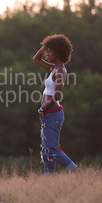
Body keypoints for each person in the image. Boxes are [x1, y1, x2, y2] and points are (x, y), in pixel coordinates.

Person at [32, 34, 83, 176]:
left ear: (59, 52)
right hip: (48, 114)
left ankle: (78, 173)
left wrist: (43, 108)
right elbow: (36, 59)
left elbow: (57, 95)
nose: (47, 54)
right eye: (47, 51)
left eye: (50, 51)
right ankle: (49, 182)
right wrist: (46, 45)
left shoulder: (60, 71)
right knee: (46, 152)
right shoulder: (53, 69)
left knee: (52, 150)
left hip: (52, 114)